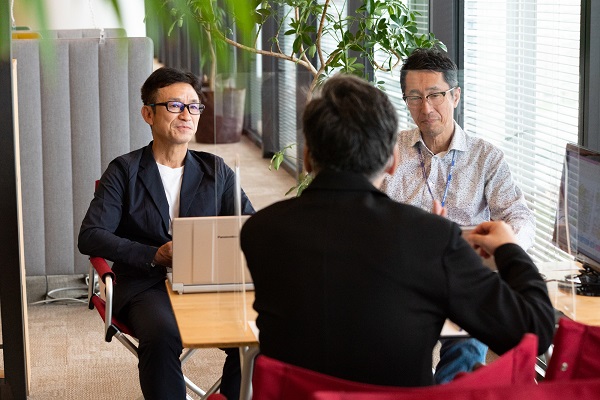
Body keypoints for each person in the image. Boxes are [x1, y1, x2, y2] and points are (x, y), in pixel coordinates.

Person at [240, 73, 554, 387]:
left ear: (307, 158)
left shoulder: (259, 232)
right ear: (393, 160)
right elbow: (534, 332)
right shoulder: (430, 238)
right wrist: (510, 249)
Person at [78, 67, 255, 400]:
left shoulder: (216, 171)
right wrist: (152, 254)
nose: (187, 114)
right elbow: (90, 235)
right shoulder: (124, 171)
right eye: (175, 105)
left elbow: (250, 225)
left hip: (208, 282)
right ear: (148, 113)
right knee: (162, 334)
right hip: (147, 284)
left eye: (194, 106)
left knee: (257, 334)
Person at [381, 48, 537, 384]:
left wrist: (505, 246)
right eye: (415, 97)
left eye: (435, 95)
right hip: (404, 280)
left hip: (467, 278)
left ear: (455, 96)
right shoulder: (388, 151)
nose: (426, 108)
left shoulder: (486, 157)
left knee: (465, 352)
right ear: (405, 101)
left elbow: (520, 217)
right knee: (400, 354)